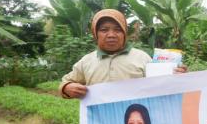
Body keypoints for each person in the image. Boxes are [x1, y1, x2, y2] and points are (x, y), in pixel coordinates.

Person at [59, 9, 187, 99]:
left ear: (125, 33)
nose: (111, 35)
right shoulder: (86, 61)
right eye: (104, 30)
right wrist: (67, 88)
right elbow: (66, 82)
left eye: (118, 30)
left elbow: (161, 86)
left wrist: (176, 77)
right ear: (95, 34)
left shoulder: (142, 58)